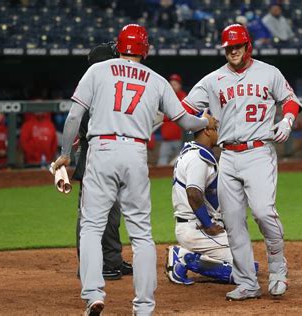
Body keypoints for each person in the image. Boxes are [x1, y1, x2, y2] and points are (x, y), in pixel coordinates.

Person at [52, 24, 214, 316]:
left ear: (119, 46)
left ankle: (93, 295)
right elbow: (186, 123)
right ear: (145, 49)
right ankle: (144, 307)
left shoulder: (98, 70)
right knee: (141, 235)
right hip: (136, 153)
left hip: (101, 149)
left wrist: (65, 154)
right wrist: (205, 122)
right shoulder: (157, 79)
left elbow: (74, 115)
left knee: (91, 227)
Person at [181, 24, 302, 300]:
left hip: (259, 152)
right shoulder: (212, 80)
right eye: (228, 47)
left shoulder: (269, 72)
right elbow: (184, 109)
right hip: (229, 156)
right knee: (233, 222)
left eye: (237, 45)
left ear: (249, 46)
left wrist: (288, 119)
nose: (233, 51)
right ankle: (248, 283)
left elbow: (291, 100)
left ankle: (278, 269)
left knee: (263, 212)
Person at [165, 118, 259, 285]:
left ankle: (194, 256)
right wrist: (207, 224)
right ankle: (183, 258)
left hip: (194, 226)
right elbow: (193, 193)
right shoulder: (198, 158)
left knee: (251, 265)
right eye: (216, 128)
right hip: (196, 227)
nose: (220, 133)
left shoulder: (193, 153)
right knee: (245, 272)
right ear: (207, 131)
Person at [72, 42, 133, 281]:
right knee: (91, 214)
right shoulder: (91, 88)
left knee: (112, 213)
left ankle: (112, 261)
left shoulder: (107, 88)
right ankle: (88, 266)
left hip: (111, 156)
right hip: (93, 156)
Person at [157, 74, 186, 166]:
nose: (173, 86)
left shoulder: (183, 96)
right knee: (161, 164)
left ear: (180, 85)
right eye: (171, 84)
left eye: (175, 84)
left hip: (179, 138)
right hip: (166, 138)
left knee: (180, 164)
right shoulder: (165, 96)